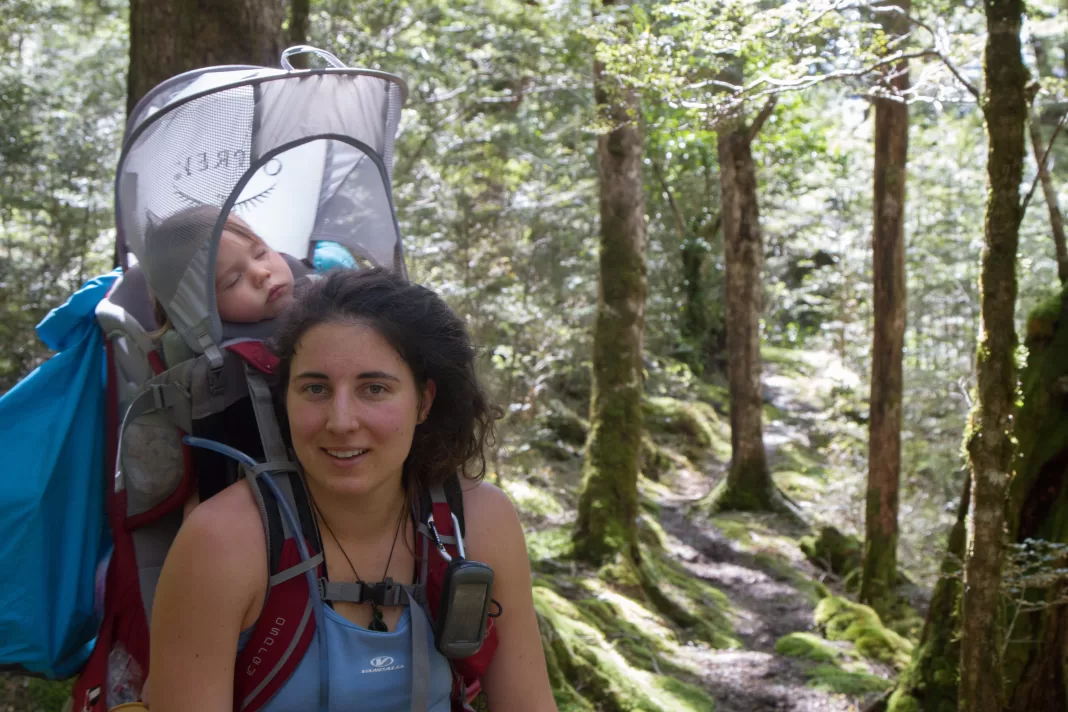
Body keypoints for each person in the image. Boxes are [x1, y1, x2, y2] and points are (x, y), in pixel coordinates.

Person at [148, 268, 557, 711]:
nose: (340, 421)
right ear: (285, 399)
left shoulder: (478, 520)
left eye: (374, 388)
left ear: (423, 400)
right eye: (316, 388)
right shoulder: (224, 542)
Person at [141, 206, 297, 333]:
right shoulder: (222, 365)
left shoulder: (313, 291)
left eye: (260, 253)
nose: (262, 273)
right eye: (233, 280)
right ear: (198, 310)